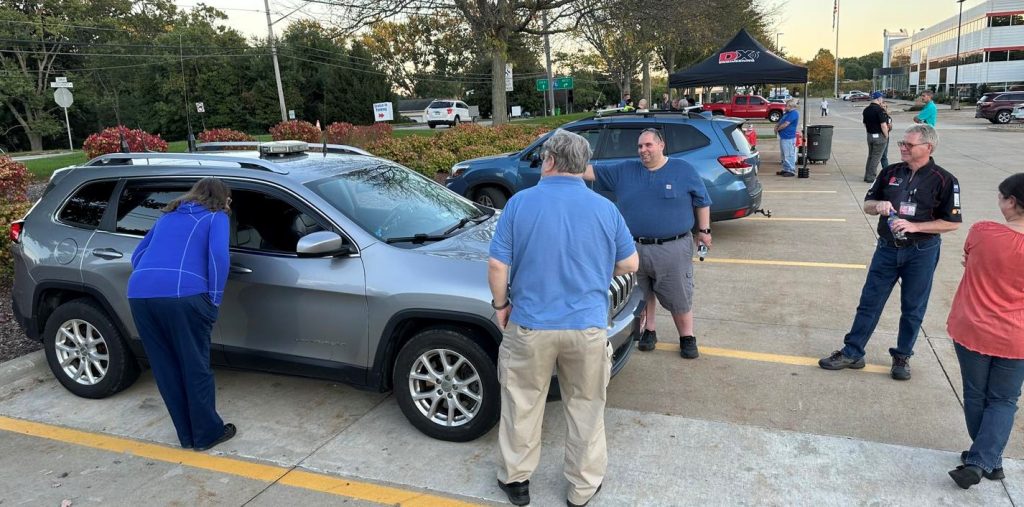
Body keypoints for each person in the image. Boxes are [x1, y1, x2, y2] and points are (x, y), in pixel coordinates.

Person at [489, 129, 639, 507]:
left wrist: (500, 305)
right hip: (587, 327)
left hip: (530, 325)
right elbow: (630, 263)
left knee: (522, 402)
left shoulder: (520, 204)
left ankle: (517, 481)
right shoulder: (605, 209)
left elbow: (497, 264)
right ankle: (582, 489)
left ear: (551, 160)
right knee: (586, 406)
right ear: (583, 165)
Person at [819, 124, 962, 380]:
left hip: (921, 251)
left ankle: (902, 356)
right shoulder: (889, 172)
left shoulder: (945, 180)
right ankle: (853, 352)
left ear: (928, 147)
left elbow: (952, 223)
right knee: (869, 302)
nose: (902, 148)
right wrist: (878, 206)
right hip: (887, 249)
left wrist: (915, 225)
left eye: (909, 145)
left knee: (913, 307)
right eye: (901, 143)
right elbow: (867, 204)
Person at [128, 177, 236, 451]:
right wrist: (214, 300)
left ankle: (186, 435)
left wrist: (156, 277)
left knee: (165, 368)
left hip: (140, 293)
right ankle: (207, 434)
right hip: (184, 295)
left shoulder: (167, 216)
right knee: (195, 365)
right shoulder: (216, 216)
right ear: (222, 198)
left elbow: (137, 255)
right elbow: (218, 258)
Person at [585, 128, 713, 359]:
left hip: (673, 247)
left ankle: (687, 336)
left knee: (679, 295)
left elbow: (702, 201)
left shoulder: (683, 170)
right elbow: (589, 172)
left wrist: (704, 231)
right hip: (632, 248)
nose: (643, 150)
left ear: (661, 145)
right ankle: (648, 331)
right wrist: (559, 166)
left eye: (648, 145)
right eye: (640, 146)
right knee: (640, 294)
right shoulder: (625, 170)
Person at [945, 173, 1024, 489]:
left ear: (1011, 202)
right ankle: (988, 460)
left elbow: (969, 259)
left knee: (976, 394)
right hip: (1016, 336)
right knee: (1004, 400)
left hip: (973, 327)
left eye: (1001, 196)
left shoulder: (983, 231)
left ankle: (980, 461)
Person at [862, 91, 891, 183]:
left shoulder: (866, 110)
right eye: (881, 98)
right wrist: (886, 136)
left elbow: (865, 124)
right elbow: (883, 125)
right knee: (876, 157)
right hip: (879, 136)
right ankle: (871, 177)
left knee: (870, 156)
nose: (882, 100)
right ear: (878, 99)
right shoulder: (879, 110)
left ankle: (867, 175)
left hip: (870, 135)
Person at [775, 99, 800, 177]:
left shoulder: (794, 113)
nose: (785, 107)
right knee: (784, 154)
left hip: (789, 137)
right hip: (784, 136)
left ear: (790, 106)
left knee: (789, 154)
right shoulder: (787, 113)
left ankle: (791, 170)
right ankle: (785, 169)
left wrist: (777, 129)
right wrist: (776, 126)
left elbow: (786, 124)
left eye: (786, 105)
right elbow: (781, 121)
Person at [880, 100, 894, 168]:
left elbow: (890, 128)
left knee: (884, 155)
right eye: (882, 106)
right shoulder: (878, 116)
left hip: (886, 137)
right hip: (879, 137)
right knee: (877, 156)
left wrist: (890, 127)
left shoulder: (888, 117)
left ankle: (886, 171)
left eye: (885, 106)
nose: (883, 108)